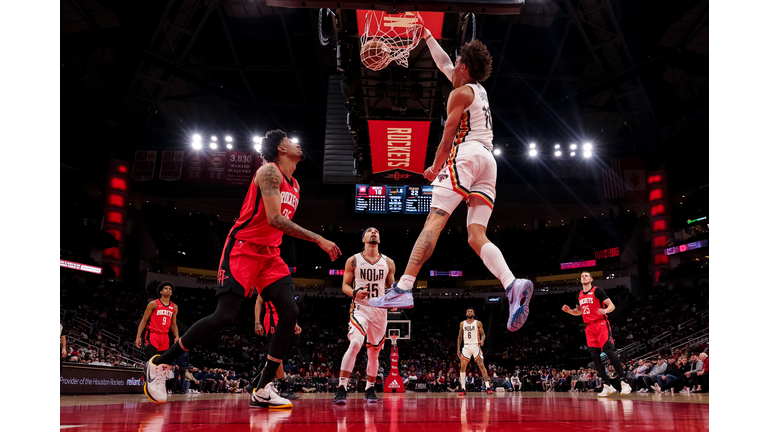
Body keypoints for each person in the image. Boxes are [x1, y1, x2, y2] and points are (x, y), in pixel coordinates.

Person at [142, 129, 341, 408]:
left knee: (290, 311)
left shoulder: (295, 184)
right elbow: (274, 219)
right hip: (243, 248)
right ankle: (160, 364)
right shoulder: (269, 172)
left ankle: (263, 387)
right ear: (282, 149)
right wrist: (318, 237)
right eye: (291, 141)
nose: (298, 144)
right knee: (225, 316)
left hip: (270, 254)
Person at [369, 28, 534, 334]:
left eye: (457, 62)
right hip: (489, 162)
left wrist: (433, 168)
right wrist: (428, 37)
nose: (452, 65)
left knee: (434, 220)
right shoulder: (478, 91)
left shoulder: (459, 94)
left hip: (466, 156)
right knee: (475, 235)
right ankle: (512, 284)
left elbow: (446, 141)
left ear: (464, 67)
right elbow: (445, 63)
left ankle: (403, 288)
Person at [334, 227, 395, 405]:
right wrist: (354, 292)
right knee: (355, 344)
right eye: (369, 231)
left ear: (380, 239)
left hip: (380, 312)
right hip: (361, 308)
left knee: (374, 353)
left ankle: (369, 388)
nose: (374, 232)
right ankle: (342, 388)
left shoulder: (388, 262)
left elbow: (390, 288)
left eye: (377, 231)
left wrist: (393, 301)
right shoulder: (353, 260)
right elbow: (344, 285)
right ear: (363, 239)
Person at [562, 271, 631, 397]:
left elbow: (612, 306)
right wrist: (569, 311)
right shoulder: (579, 295)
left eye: (586, 275)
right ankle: (607, 385)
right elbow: (579, 312)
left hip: (601, 324)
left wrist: (604, 310)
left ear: (591, 279)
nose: (584, 277)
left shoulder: (597, 290)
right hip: (589, 327)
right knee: (594, 356)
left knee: (609, 351)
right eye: (582, 276)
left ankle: (624, 383)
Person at [244, 294, 302, 401]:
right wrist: (257, 322)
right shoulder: (268, 284)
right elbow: (258, 302)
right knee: (276, 355)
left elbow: (287, 307)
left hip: (283, 319)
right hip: (271, 318)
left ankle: (253, 384)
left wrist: (294, 323)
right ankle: (284, 389)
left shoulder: (283, 285)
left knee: (276, 356)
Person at [135, 282, 179, 361]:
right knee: (150, 360)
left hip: (165, 336)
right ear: (161, 292)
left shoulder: (174, 307)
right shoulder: (153, 304)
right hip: (153, 334)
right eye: (166, 288)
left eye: (170, 289)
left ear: (172, 293)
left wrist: (177, 336)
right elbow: (144, 320)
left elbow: (173, 324)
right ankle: (146, 374)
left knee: (163, 362)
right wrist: (138, 336)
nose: (168, 290)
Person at [456, 308, 493, 395]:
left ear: (474, 313)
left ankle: (488, 387)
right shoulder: (462, 323)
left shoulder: (478, 323)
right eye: (468, 311)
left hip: (476, 346)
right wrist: (458, 349)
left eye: (471, 311)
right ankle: (463, 388)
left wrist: (482, 340)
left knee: (481, 365)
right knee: (462, 367)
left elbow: (483, 334)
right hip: (466, 346)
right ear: (466, 314)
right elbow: (460, 337)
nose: (469, 312)